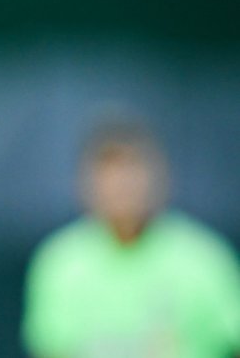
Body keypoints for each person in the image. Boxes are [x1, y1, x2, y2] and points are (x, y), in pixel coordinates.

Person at [22, 116, 240, 358]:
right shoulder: (61, 264)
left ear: (160, 176)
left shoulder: (204, 259)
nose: (122, 185)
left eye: (133, 169)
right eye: (110, 173)